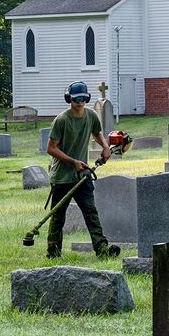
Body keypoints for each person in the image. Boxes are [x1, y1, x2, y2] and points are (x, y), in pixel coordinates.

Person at [45, 80, 111, 258]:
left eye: (83, 98)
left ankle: (102, 249)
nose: (80, 102)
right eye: (76, 99)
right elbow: (51, 148)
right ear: (69, 99)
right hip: (62, 177)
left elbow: (97, 132)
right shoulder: (61, 120)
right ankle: (53, 251)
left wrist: (105, 146)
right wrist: (73, 161)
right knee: (58, 216)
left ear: (87, 98)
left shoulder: (91, 116)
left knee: (91, 212)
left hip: (82, 175)